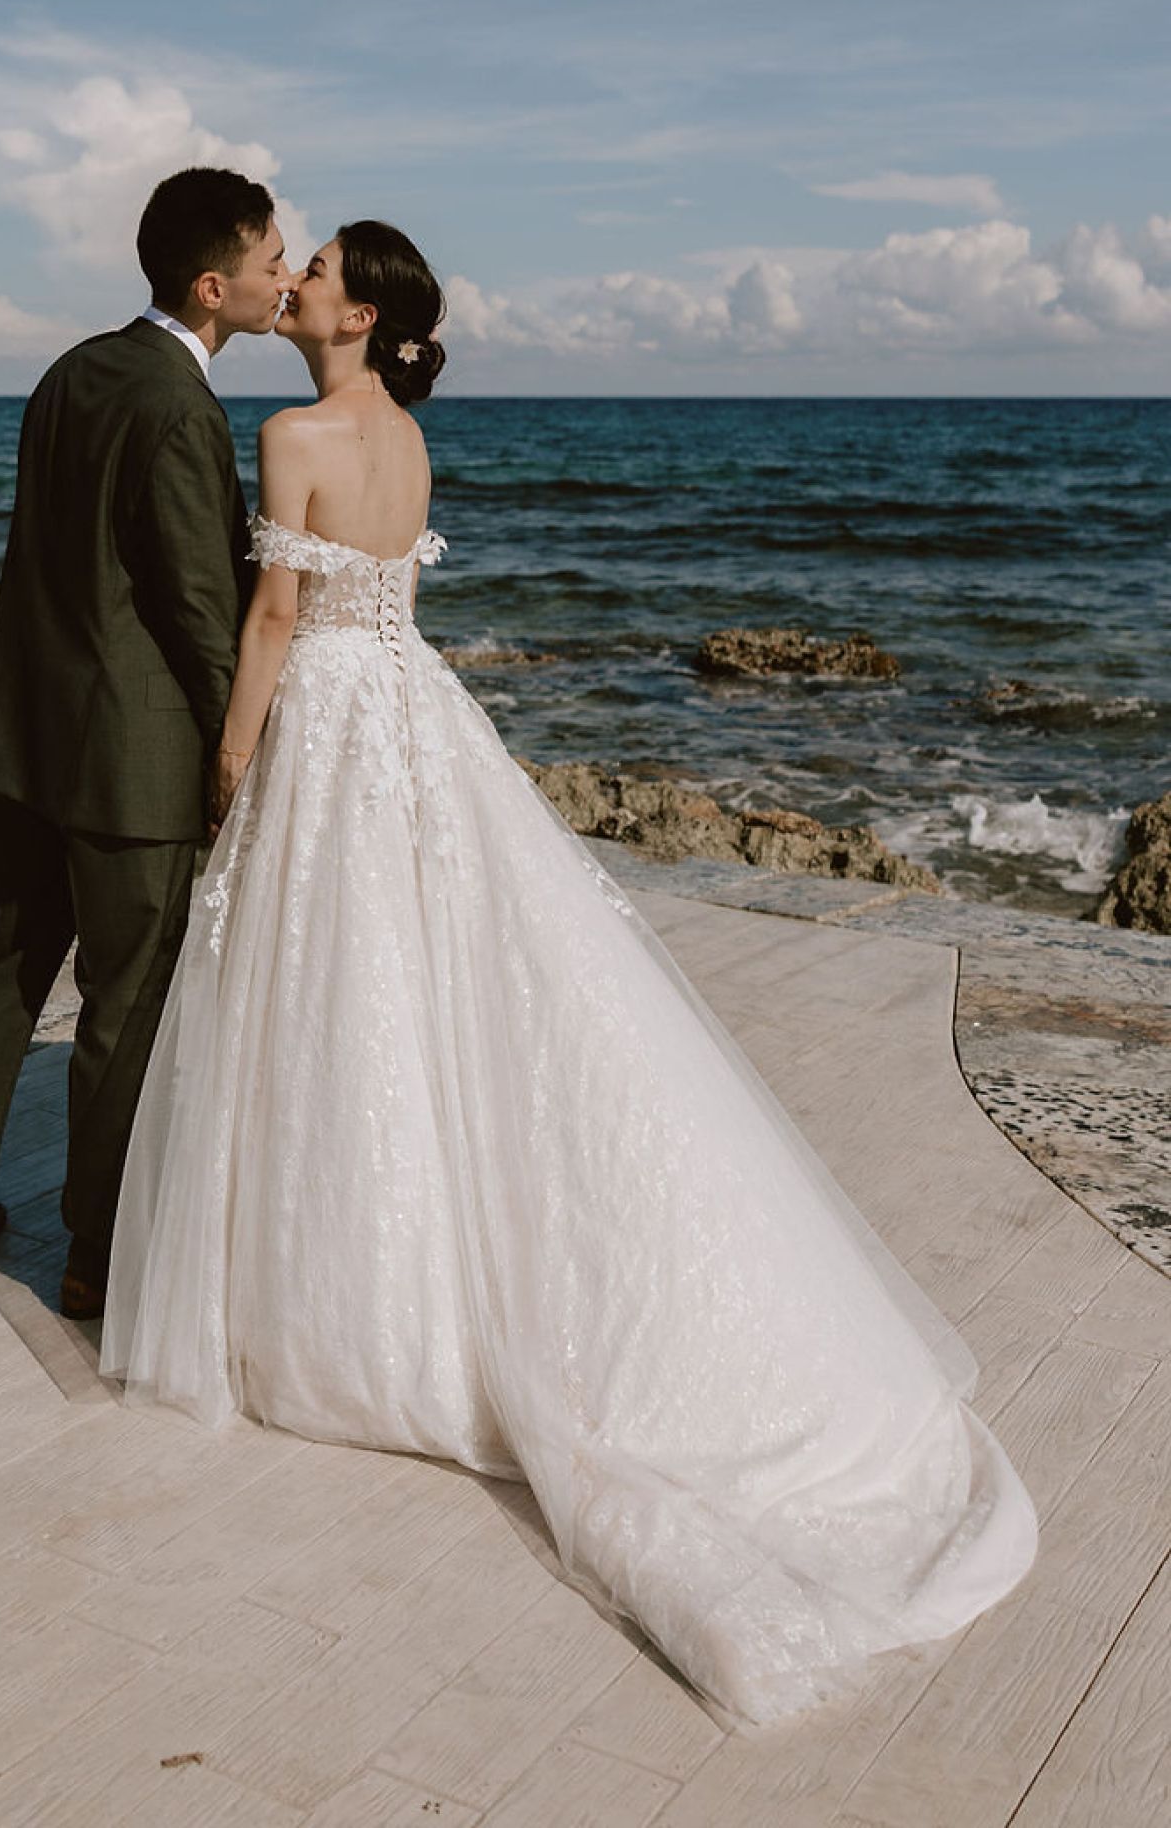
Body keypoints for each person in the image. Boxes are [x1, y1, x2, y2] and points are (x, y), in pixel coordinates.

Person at [100, 218, 1039, 1727]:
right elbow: (381, 597)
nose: (301, 277)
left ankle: (358, 1312)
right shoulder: (400, 435)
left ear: (358, 307)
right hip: (414, 708)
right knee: (427, 986)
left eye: (322, 264)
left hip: (335, 719)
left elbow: (277, 616)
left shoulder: (289, 432)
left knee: (339, 1002)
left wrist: (229, 753)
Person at [0, 166, 291, 1318]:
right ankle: (94, 1252)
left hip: (30, 736)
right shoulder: (181, 408)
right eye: (272, 263)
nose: (283, 279)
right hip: (135, 766)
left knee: (2, 966)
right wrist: (245, 745)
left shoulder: (73, 369)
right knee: (125, 1008)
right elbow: (198, 608)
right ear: (214, 287)